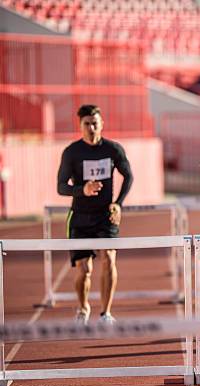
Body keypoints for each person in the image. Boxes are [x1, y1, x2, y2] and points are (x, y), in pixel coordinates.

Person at [57, 104, 133, 325]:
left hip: (105, 216)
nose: (91, 127)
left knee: (109, 259)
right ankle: (83, 308)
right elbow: (61, 186)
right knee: (84, 269)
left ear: (102, 124)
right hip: (80, 217)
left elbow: (128, 176)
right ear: (80, 126)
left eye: (94, 123)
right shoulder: (72, 152)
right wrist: (82, 190)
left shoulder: (113, 149)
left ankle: (106, 313)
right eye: (87, 124)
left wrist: (118, 204)